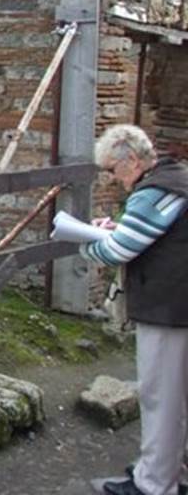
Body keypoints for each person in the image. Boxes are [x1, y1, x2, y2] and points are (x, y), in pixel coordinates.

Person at [80, 124, 188, 495]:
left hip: (168, 308)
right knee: (176, 398)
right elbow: (143, 234)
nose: (112, 178)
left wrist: (86, 243)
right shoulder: (176, 179)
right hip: (177, 303)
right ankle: (166, 472)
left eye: (112, 169)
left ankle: (155, 484)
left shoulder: (154, 190)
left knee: (160, 396)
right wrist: (117, 231)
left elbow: (120, 250)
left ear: (133, 160)